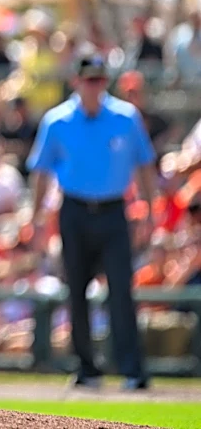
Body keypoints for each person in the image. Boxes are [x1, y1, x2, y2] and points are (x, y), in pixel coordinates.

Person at [27, 53, 156, 390]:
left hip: (114, 211)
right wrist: (36, 216)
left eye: (99, 80)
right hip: (75, 211)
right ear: (77, 81)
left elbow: (144, 165)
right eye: (89, 80)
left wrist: (150, 210)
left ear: (105, 82)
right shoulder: (57, 120)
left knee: (121, 291)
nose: (94, 86)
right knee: (76, 291)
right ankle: (87, 368)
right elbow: (41, 172)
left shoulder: (126, 117)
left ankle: (132, 369)